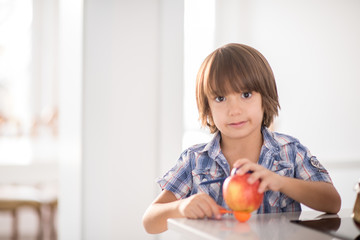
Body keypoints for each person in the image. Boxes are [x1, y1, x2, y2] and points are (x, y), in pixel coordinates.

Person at [142, 43, 341, 234]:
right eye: (220, 98)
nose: (234, 110)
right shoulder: (195, 160)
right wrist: (180, 207)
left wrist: (281, 182)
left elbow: (332, 203)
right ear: (207, 108)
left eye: (246, 95)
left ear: (265, 97)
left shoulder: (290, 151)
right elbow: (150, 221)